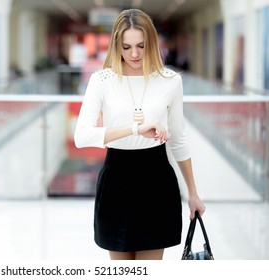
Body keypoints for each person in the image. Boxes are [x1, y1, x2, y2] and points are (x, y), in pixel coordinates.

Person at [74, 9, 206, 260]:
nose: (134, 54)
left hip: (156, 181)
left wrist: (193, 193)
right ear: (116, 45)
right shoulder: (102, 80)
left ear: (152, 43)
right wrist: (135, 129)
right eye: (126, 46)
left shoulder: (170, 80)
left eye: (141, 46)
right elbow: (82, 136)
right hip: (116, 181)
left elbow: (179, 139)